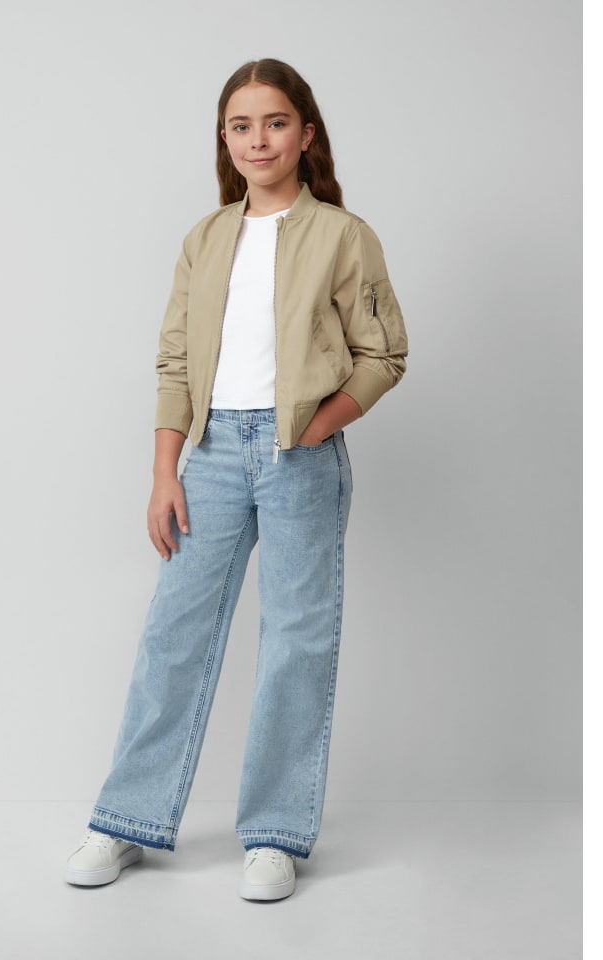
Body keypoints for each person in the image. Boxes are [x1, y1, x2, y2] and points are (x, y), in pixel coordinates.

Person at [65, 58, 408, 901]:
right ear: (225, 139)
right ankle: (126, 820)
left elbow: (383, 354)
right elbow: (175, 361)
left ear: (306, 133)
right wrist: (164, 471)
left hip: (301, 459)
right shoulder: (207, 238)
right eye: (241, 126)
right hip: (212, 455)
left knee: (296, 640)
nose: (259, 140)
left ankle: (276, 835)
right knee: (172, 636)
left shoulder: (343, 235)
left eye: (276, 122)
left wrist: (316, 428)